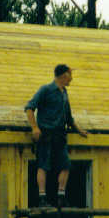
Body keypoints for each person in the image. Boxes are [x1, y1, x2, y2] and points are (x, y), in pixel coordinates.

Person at [25, 64, 88, 207]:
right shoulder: (46, 90)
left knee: (66, 165)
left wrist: (79, 130)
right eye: (70, 75)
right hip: (46, 134)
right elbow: (29, 108)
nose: (71, 78)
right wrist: (35, 128)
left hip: (60, 135)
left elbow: (69, 117)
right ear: (64, 75)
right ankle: (42, 198)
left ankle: (61, 196)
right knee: (43, 165)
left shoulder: (64, 92)